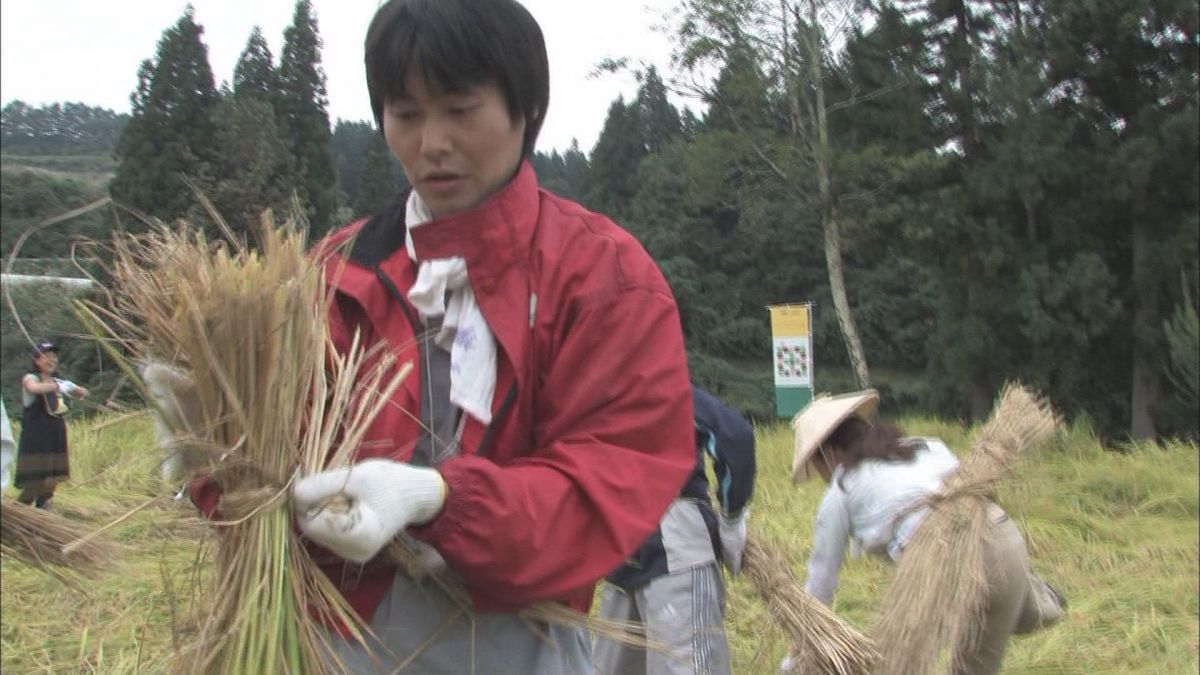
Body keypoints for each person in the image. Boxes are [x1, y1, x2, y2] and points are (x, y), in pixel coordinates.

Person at [150, 1, 695, 672]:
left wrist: (440, 500)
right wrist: (213, 450)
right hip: (329, 637)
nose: (430, 143)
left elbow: (606, 486)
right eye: (405, 115)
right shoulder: (328, 274)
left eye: (459, 110)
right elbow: (269, 488)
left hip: (512, 642)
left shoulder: (602, 279)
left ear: (524, 109)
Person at [785, 390, 1065, 675]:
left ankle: (1031, 600)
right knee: (984, 650)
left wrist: (793, 661)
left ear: (829, 454)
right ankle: (1040, 599)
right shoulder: (927, 446)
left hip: (946, 568)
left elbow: (821, 584)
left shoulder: (840, 489)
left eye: (817, 466)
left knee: (897, 665)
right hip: (1005, 540)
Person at [595, 384, 756, 675]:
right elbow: (734, 435)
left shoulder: (588, 390)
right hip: (665, 548)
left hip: (629, 546)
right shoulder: (655, 383)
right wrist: (732, 519)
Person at [14, 341, 88, 508]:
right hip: (37, 437)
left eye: (54, 357)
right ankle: (17, 515)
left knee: (52, 479)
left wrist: (74, 389)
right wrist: (57, 386)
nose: (51, 360)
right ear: (37, 360)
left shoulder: (58, 381)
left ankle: (42, 515)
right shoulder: (31, 378)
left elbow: (82, 392)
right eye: (47, 356)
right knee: (35, 481)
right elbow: (33, 388)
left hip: (56, 435)